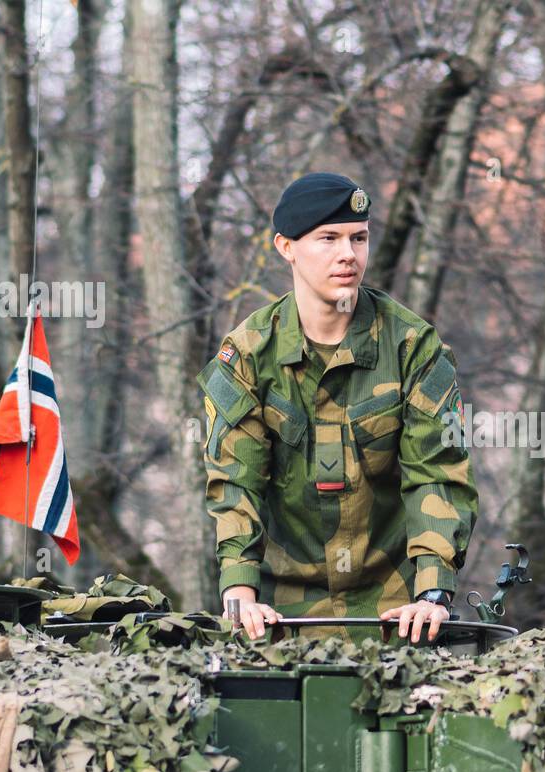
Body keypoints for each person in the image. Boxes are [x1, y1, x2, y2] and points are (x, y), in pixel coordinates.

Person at [197, 172, 478, 645]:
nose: (348, 253)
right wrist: (239, 597)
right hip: (280, 615)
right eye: (328, 238)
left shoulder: (414, 348)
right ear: (286, 247)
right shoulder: (247, 356)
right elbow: (234, 485)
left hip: (394, 613)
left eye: (359, 238)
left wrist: (432, 595)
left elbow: (438, 475)